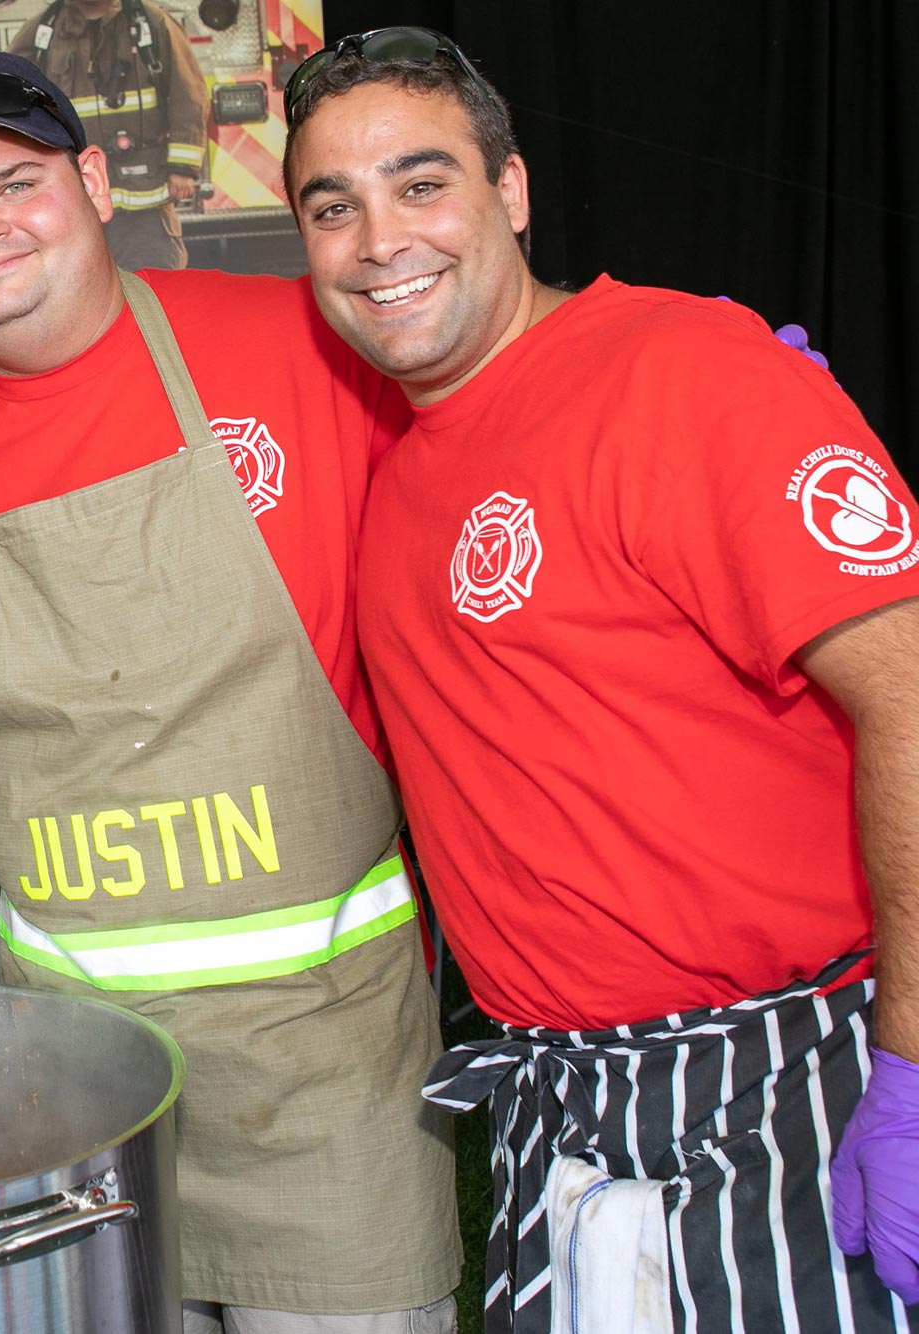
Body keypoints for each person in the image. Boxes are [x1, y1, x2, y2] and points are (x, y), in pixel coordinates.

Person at [283, 27, 919, 1330]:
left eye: (421, 183)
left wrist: (914, 1063)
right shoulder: (400, 475)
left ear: (510, 193)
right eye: (331, 206)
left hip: (790, 1084)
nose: (379, 239)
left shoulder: (692, 377)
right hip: (561, 1102)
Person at [0, 49, 460, 1333]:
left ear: (90, 181)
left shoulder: (301, 348)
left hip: (325, 1091)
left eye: (14, 181)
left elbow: (487, 464)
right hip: (73, 1106)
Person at [7, 0, 207, 270]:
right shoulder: (41, 32)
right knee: (83, 287)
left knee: (156, 284)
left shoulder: (151, 23)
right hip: (76, 196)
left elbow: (188, 94)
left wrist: (183, 167)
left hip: (145, 193)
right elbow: (11, 104)